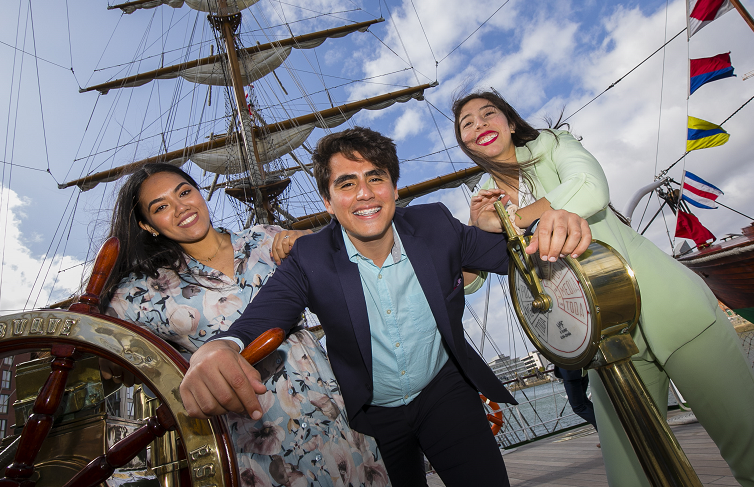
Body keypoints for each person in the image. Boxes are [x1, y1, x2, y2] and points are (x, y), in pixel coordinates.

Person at [177, 127, 593, 487]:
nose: (364, 193)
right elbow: (265, 314)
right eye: (346, 183)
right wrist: (220, 347)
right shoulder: (311, 257)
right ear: (328, 201)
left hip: (444, 393)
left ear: (394, 188)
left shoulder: (434, 226)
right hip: (371, 414)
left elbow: (514, 254)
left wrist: (553, 227)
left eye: (375, 178)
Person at [453, 89, 754, 487]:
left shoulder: (551, 144)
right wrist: (473, 230)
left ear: (510, 123)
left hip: (668, 306)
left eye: (489, 113)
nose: (480, 123)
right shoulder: (485, 198)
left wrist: (512, 219)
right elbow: (471, 281)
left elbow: (589, 187)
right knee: (630, 474)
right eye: (468, 123)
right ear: (464, 143)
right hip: (602, 338)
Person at [98, 162, 390, 487]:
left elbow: (345, 282)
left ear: (199, 193)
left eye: (185, 192)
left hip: (333, 411)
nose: (181, 207)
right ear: (147, 225)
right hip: (259, 441)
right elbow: (94, 342)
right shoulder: (142, 291)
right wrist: (107, 361)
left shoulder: (265, 238)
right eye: (161, 206)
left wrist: (309, 242)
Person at [552, 366, 597, 431]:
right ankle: (603, 425)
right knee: (584, 402)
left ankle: (603, 425)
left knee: (578, 407)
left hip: (570, 373)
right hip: (582, 370)